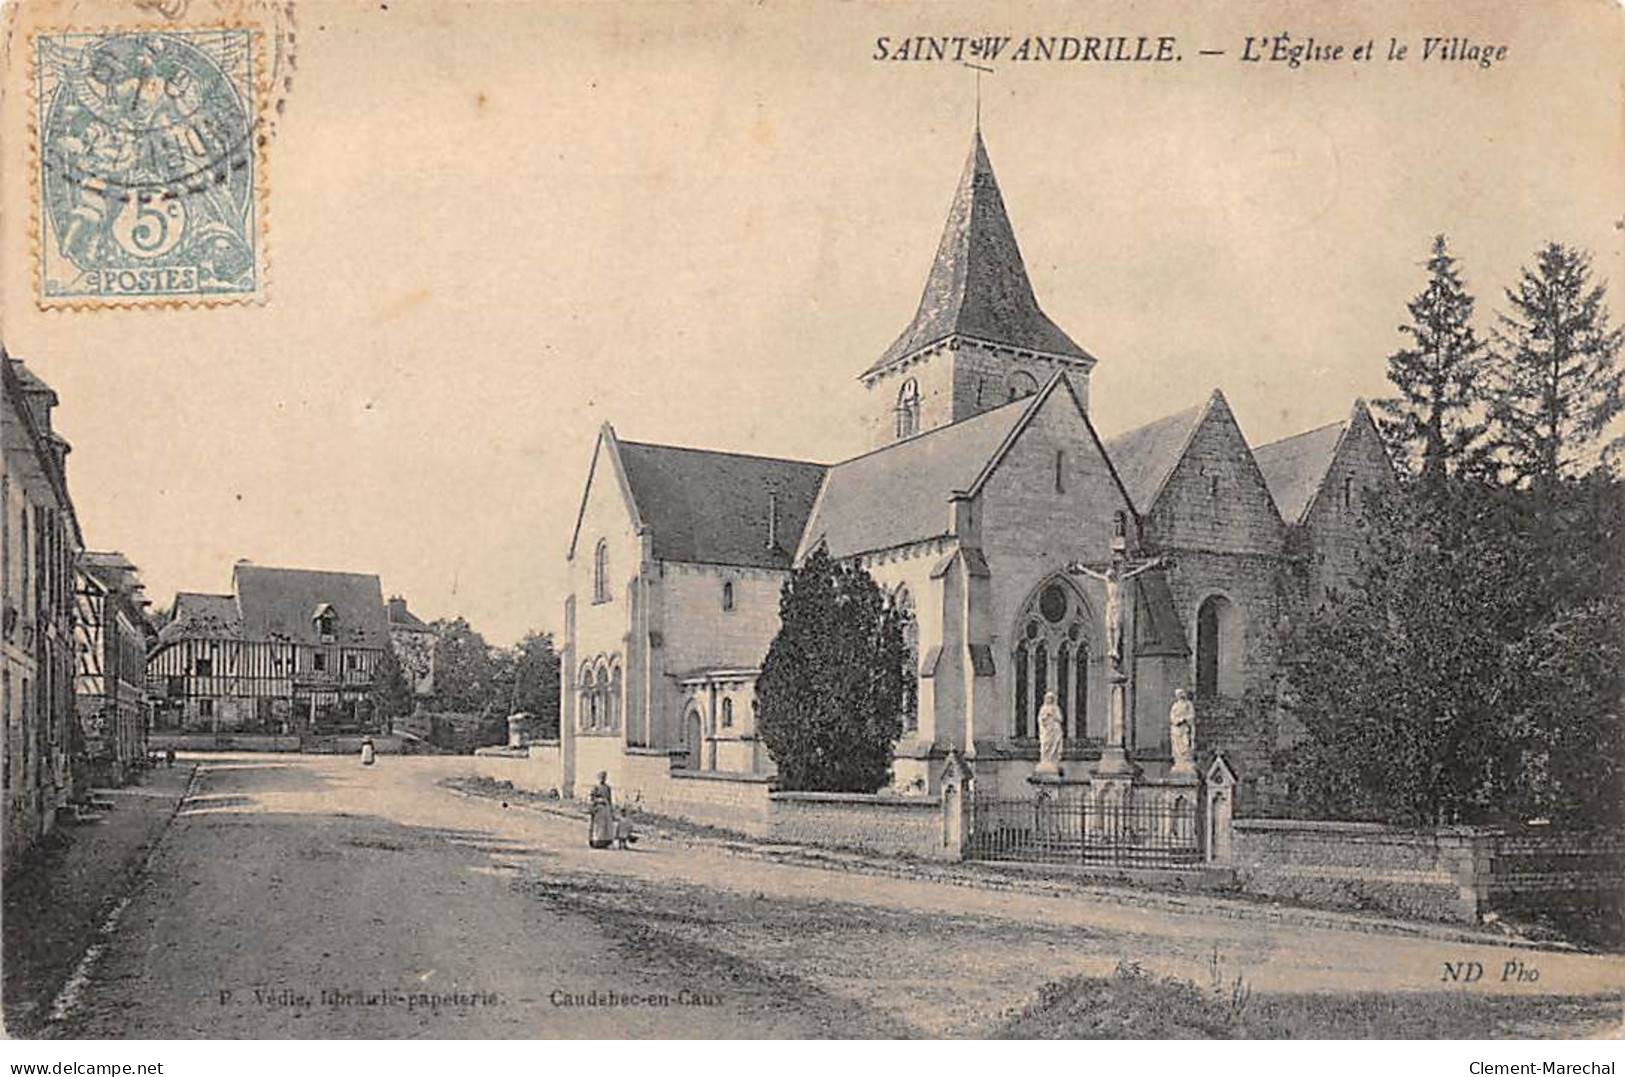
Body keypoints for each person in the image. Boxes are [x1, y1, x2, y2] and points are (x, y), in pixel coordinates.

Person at [587, 771, 614, 849]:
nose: (603, 779)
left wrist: (611, 809)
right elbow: (592, 798)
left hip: (606, 808)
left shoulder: (607, 788)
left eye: (604, 777)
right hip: (598, 808)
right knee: (598, 826)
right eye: (601, 777)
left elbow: (609, 799)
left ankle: (605, 842)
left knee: (606, 826)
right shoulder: (595, 787)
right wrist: (596, 803)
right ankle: (596, 842)